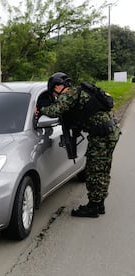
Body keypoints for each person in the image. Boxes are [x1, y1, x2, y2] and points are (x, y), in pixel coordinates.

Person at [36, 72, 120, 218]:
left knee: (94, 171)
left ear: (56, 87)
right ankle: (99, 203)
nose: (55, 96)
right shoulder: (79, 91)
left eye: (54, 92)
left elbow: (55, 110)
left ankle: (93, 207)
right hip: (110, 132)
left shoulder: (70, 94)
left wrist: (41, 109)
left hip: (102, 135)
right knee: (103, 169)